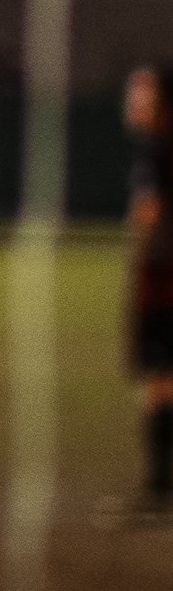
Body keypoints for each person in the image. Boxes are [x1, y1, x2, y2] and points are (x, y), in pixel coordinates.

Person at [122, 64, 173, 521]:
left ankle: (160, 489)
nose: (132, 100)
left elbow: (151, 222)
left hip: (164, 281)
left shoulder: (160, 153)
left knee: (162, 378)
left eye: (141, 91)